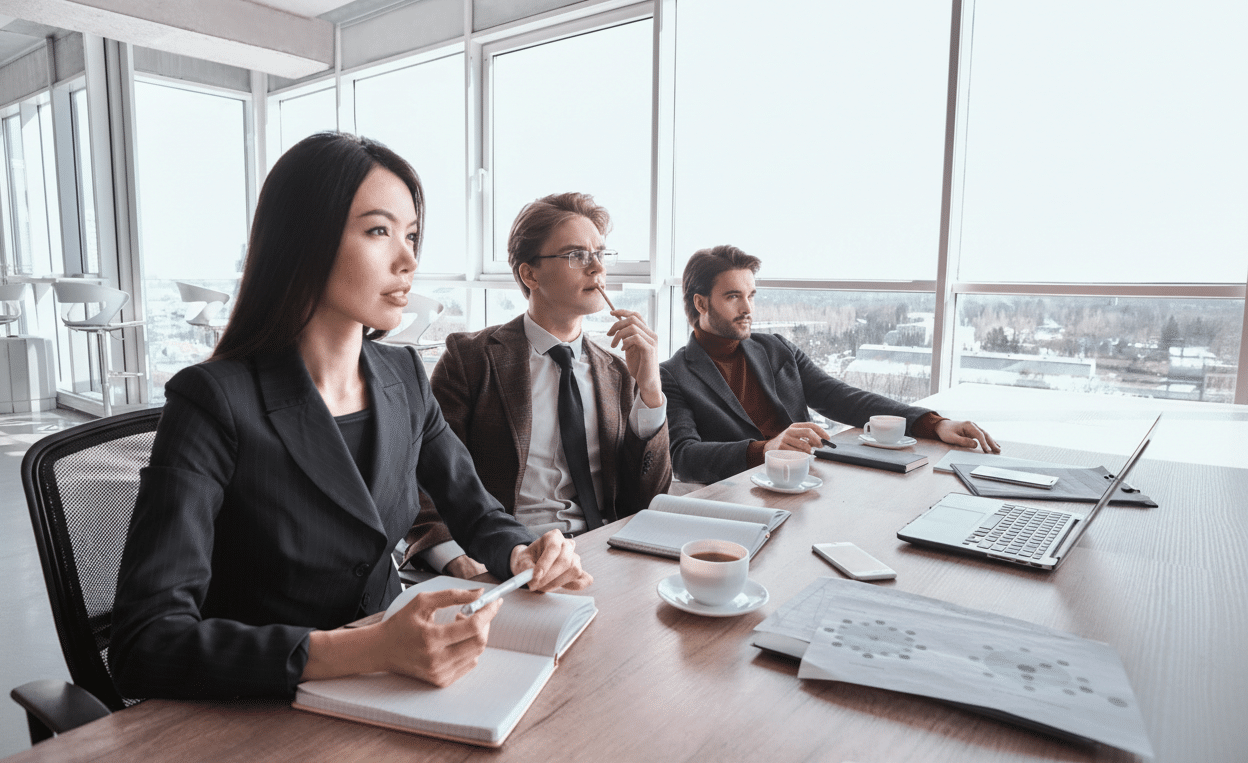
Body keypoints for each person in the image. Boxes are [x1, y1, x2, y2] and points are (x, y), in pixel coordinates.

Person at [109, 133, 591, 700]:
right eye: (378, 230)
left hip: (391, 684)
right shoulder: (213, 402)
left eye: (411, 234)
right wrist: (366, 649)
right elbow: (146, 644)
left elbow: (475, 510)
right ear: (302, 242)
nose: (409, 258)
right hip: (264, 701)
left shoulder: (405, 378)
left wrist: (522, 551)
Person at [405, 193, 672, 578]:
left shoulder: (619, 371)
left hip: (599, 556)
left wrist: (650, 391)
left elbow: (647, 500)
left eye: (600, 253)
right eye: (577, 255)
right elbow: (422, 474)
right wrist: (453, 557)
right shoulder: (470, 359)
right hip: (504, 560)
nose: (597, 267)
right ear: (530, 274)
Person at [661, 245, 999, 485]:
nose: (748, 307)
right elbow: (684, 459)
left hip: (810, 482)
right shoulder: (674, 374)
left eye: (751, 295)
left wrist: (933, 423)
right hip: (744, 496)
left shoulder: (776, 348)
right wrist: (765, 450)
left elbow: (843, 398)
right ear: (701, 303)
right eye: (734, 296)